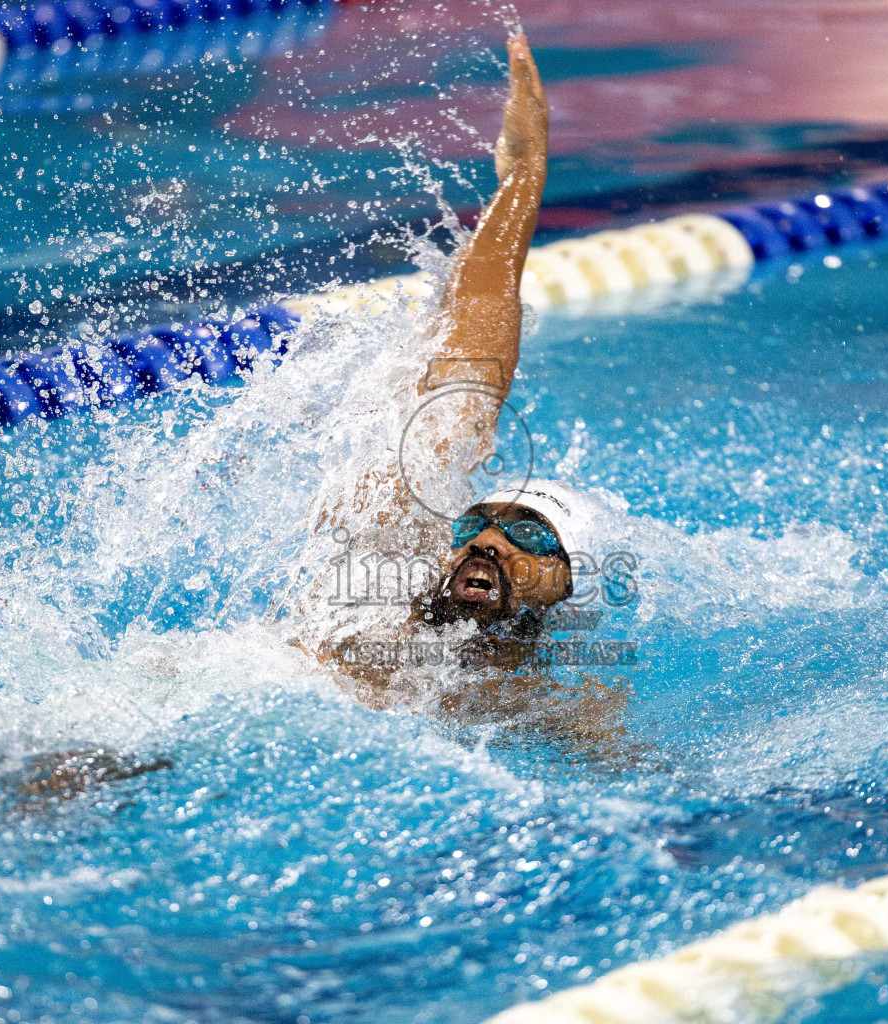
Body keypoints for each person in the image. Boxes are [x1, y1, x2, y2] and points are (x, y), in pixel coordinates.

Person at [291, 33, 634, 747]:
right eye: (476, 522)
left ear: (568, 586)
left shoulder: (550, 710)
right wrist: (523, 184)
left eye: (527, 535)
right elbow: (473, 365)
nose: (484, 539)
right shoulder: (391, 554)